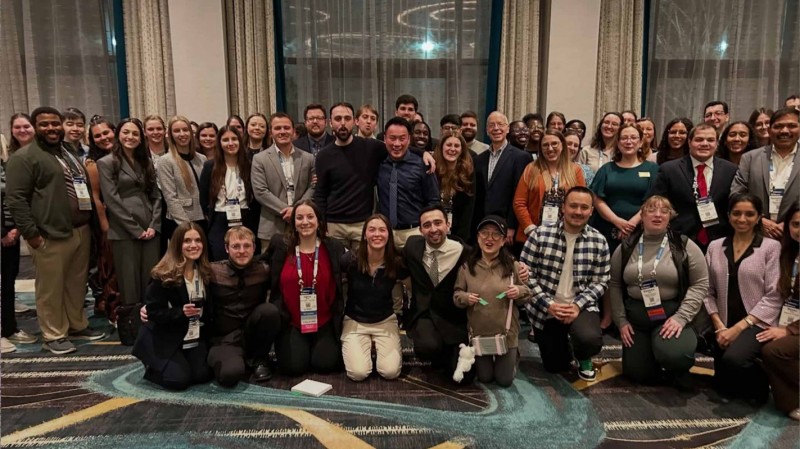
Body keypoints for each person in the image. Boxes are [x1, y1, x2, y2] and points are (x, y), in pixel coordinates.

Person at [6, 107, 106, 355]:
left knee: (75, 283)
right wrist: (31, 234)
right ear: (35, 127)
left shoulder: (68, 151)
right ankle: (53, 335)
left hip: (79, 229)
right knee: (50, 288)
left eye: (54, 124)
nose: (51, 128)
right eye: (44, 124)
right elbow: (16, 199)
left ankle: (76, 324)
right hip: (49, 233)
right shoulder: (24, 157)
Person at [609, 195, 709, 388]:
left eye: (664, 211)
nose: (657, 215)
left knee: (675, 356)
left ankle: (676, 366)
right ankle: (650, 356)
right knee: (638, 374)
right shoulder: (626, 246)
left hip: (670, 317)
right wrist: (620, 321)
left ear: (670, 216)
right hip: (636, 321)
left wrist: (681, 317)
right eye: (651, 210)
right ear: (642, 215)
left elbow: (700, 283)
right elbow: (613, 284)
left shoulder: (683, 245)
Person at [314, 103, 434, 250]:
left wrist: (423, 153)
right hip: (333, 225)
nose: (343, 123)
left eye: (347, 118)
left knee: (362, 268)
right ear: (330, 122)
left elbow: (397, 146)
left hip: (362, 224)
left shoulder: (371, 147)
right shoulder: (323, 156)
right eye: (338, 119)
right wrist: (321, 224)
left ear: (354, 121)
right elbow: (320, 194)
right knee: (336, 269)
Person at [520, 186, 608, 381]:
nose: (578, 212)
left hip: (581, 306)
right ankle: (565, 346)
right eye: (573, 206)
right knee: (554, 366)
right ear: (563, 207)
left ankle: (584, 355)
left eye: (584, 207)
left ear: (591, 210)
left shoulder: (599, 241)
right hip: (546, 307)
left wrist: (577, 305)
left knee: (589, 339)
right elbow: (525, 275)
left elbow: (601, 281)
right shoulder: (539, 235)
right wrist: (548, 305)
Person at [704, 193, 782, 404]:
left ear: (759, 218)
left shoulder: (771, 247)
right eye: (736, 213)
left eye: (749, 214)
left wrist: (737, 329)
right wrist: (719, 325)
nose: (742, 219)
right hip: (724, 321)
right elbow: (707, 291)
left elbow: (774, 296)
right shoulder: (715, 246)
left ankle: (767, 377)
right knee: (723, 388)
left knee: (734, 361)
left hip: (756, 322)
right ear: (728, 215)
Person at [265, 199, 345, 375]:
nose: (305, 222)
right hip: (292, 321)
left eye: (310, 217)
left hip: (324, 320)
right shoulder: (281, 245)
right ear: (293, 223)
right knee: (293, 368)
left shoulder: (333, 247)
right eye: (299, 218)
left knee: (325, 365)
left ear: (319, 221)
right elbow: (261, 265)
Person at [133, 222, 213, 390]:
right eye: (187, 241)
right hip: (166, 335)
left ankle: (181, 360)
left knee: (202, 375)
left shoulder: (206, 272)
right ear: (177, 244)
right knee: (178, 381)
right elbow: (153, 312)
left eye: (198, 240)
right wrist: (179, 312)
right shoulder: (163, 274)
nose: (193, 245)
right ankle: (152, 365)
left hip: (193, 334)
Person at [454, 216, 531, 387]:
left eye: (496, 235)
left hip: (506, 333)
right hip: (479, 333)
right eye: (485, 233)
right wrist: (466, 298)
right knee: (485, 378)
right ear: (477, 237)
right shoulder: (467, 267)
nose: (490, 239)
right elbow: (457, 295)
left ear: (504, 241)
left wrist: (519, 291)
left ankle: (513, 355)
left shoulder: (513, 266)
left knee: (504, 380)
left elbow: (527, 293)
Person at [97, 118, 161, 314]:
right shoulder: (106, 163)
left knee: (150, 279)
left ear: (141, 138)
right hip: (124, 230)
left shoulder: (146, 162)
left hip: (150, 229)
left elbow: (157, 195)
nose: (130, 137)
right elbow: (112, 200)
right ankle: (133, 326)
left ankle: (151, 321)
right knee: (129, 282)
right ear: (118, 135)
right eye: (126, 132)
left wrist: (154, 225)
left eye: (135, 134)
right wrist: (136, 230)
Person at [403, 205, 472, 381]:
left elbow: (493, 259)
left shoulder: (465, 253)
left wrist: (520, 268)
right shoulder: (412, 247)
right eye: (427, 225)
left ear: (448, 225)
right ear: (420, 230)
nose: (433, 229)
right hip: (424, 314)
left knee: (465, 376)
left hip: (453, 318)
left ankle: (448, 352)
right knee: (428, 348)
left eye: (438, 223)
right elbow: (394, 264)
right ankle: (438, 351)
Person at [207, 226, 280, 385]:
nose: (242, 251)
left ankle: (260, 359)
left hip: (251, 334)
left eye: (247, 246)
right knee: (230, 376)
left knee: (269, 311)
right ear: (226, 248)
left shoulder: (263, 270)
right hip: (225, 339)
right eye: (236, 246)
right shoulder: (212, 271)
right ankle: (237, 359)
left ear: (254, 248)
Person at [649, 123, 738, 251]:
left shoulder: (730, 170)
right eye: (699, 139)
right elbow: (656, 202)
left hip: (720, 240)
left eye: (711, 140)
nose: (705, 144)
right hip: (679, 239)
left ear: (717, 143)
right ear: (689, 142)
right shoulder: (669, 169)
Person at [340, 215, 405, 381]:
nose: (377, 234)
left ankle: (374, 344)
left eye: (382, 230)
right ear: (364, 235)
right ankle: (364, 345)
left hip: (385, 321)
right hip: (355, 321)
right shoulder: (350, 261)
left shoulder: (396, 262)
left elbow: (414, 288)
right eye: (372, 230)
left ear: (389, 235)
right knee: (358, 373)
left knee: (390, 372)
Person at [590, 124, 660, 256]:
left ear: (640, 143)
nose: (629, 142)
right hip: (607, 229)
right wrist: (616, 221)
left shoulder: (652, 169)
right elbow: (596, 198)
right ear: (618, 143)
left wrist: (631, 224)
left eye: (633, 138)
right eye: (624, 138)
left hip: (640, 230)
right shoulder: (606, 169)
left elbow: (653, 201)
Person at [730, 107, 800, 240]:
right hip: (757, 235)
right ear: (769, 130)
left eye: (791, 126)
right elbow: (736, 194)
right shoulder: (750, 158)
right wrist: (758, 219)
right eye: (778, 126)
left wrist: (792, 223)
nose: (784, 131)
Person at [251, 113, 315, 253]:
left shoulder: (308, 158)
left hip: (302, 226)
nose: (282, 132)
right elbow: (261, 192)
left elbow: (313, 186)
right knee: (272, 271)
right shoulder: (260, 159)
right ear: (270, 132)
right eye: (278, 128)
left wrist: (297, 210)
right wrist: (288, 212)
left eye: (286, 128)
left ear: (293, 131)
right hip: (271, 226)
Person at [758, 205, 799, 420]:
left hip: (795, 326)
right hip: (787, 319)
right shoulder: (785, 253)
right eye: (796, 224)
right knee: (762, 341)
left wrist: (789, 330)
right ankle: (791, 402)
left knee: (773, 351)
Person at [513, 130, 585, 251]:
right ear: (540, 149)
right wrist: (530, 229)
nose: (550, 148)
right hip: (533, 237)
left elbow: (582, 202)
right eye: (545, 145)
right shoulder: (531, 169)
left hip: (565, 237)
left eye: (554, 144)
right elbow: (519, 202)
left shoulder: (575, 171)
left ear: (562, 145)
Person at [378, 117, 440, 248]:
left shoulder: (423, 165)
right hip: (385, 234)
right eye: (392, 138)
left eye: (402, 138)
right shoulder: (378, 162)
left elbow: (433, 200)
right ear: (384, 138)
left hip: (414, 232)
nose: (397, 143)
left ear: (409, 139)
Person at [198, 126, 256, 261]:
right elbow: (203, 198)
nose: (230, 143)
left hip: (245, 216)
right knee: (220, 258)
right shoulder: (210, 166)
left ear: (240, 141)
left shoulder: (249, 165)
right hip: (219, 218)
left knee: (244, 257)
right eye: (225, 140)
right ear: (219, 143)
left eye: (234, 139)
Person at [473, 111, 530, 245]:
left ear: (507, 129)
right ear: (487, 130)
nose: (496, 128)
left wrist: (512, 226)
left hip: (506, 225)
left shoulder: (520, 157)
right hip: (483, 223)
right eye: (491, 125)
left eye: (500, 124)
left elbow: (519, 194)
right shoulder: (479, 159)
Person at [1, 150, 37, 352]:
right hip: (2, 233)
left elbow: (15, 199)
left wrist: (16, 228)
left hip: (11, 233)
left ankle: (8, 328)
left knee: (7, 284)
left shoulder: (6, 167)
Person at [86, 116, 120, 317]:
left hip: (130, 219)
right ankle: (112, 308)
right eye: (97, 136)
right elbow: (96, 198)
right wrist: (105, 225)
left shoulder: (126, 155)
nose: (103, 138)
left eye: (106, 132)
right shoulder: (93, 163)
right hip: (108, 220)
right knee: (109, 266)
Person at [157, 116, 207, 229]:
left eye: (185, 130)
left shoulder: (202, 159)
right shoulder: (166, 161)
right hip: (180, 222)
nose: (182, 134)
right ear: (170, 135)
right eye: (176, 131)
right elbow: (170, 198)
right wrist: (186, 225)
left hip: (203, 218)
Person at [6, 113, 34, 315]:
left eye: (26, 126)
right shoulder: (8, 157)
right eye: (18, 127)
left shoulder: (44, 152)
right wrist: (16, 226)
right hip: (17, 220)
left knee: (12, 267)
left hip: (40, 217)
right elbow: (13, 196)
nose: (22, 130)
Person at [433, 131, 475, 242]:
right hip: (434, 231)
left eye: (456, 146)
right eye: (448, 145)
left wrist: (461, 240)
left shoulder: (469, 173)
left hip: (459, 234)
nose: (452, 149)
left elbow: (469, 209)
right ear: (441, 147)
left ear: (462, 150)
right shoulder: (433, 171)